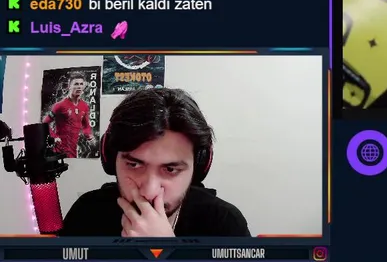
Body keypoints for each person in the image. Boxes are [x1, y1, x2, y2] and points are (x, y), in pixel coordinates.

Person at [58, 88, 249, 237]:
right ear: (111, 158)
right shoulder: (87, 212)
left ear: (198, 167)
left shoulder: (224, 224)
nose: (149, 192)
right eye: (134, 165)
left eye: (170, 169)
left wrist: (166, 252)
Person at [44, 73, 92, 159]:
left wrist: (89, 136)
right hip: (59, 150)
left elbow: (86, 125)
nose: (79, 87)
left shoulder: (84, 106)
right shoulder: (59, 106)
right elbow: (44, 123)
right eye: (76, 84)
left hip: (73, 151)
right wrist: (54, 137)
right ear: (69, 86)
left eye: (81, 84)